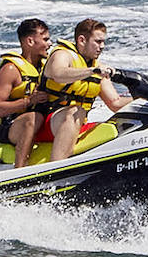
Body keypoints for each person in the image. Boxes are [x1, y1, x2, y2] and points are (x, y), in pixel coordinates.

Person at [40, 18, 133, 162]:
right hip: (47, 123)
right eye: (98, 42)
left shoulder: (98, 68)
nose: (102, 46)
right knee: (75, 111)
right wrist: (91, 71)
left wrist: (146, 98)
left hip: (77, 123)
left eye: (103, 42)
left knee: (119, 127)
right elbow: (58, 74)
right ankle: (54, 171)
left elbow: (116, 103)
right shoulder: (62, 55)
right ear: (82, 40)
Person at [0, 18, 52, 168]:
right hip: (12, 126)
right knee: (33, 117)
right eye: (45, 39)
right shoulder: (11, 69)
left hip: (42, 121)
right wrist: (28, 101)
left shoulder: (48, 66)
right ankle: (20, 171)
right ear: (30, 41)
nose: (50, 44)